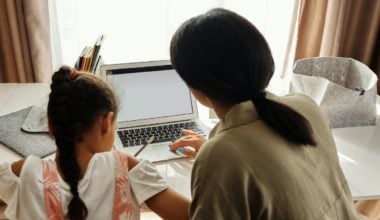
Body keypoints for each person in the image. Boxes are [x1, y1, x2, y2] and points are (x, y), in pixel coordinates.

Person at [169, 8, 365, 219]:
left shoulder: (221, 156)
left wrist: (144, 179)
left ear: (194, 85)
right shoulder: (305, 106)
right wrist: (216, 151)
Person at [0, 66, 190, 220]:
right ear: (106, 123)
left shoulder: (27, 171)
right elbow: (194, 216)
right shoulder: (125, 166)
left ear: (50, 125)